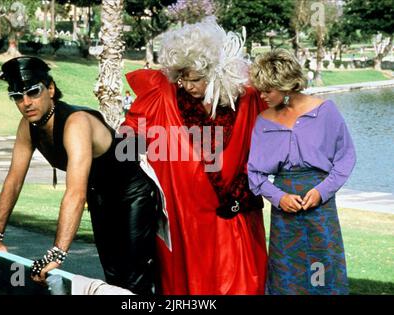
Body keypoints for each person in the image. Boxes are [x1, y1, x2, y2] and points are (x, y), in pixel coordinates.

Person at [0, 56, 160, 295]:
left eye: (33, 92)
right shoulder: (28, 126)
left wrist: (57, 253)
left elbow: (75, 192)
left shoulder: (76, 123)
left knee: (135, 279)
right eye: (17, 97)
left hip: (133, 192)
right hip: (101, 195)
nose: (26, 103)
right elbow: (13, 181)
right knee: (115, 278)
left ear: (50, 89)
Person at [121, 17, 268, 294]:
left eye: (195, 79)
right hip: (185, 217)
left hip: (231, 213)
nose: (187, 86)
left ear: (215, 73)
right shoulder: (165, 96)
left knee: (238, 283)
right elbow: (131, 129)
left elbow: (272, 139)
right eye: (182, 78)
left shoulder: (247, 99)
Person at [248, 48, 356, 295]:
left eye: (267, 90)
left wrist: (321, 192)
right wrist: (279, 198)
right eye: (260, 89)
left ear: (285, 85)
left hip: (321, 204)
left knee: (323, 265)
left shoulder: (326, 112)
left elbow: (345, 158)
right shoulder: (264, 121)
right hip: (285, 209)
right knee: (287, 272)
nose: (262, 95)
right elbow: (254, 173)